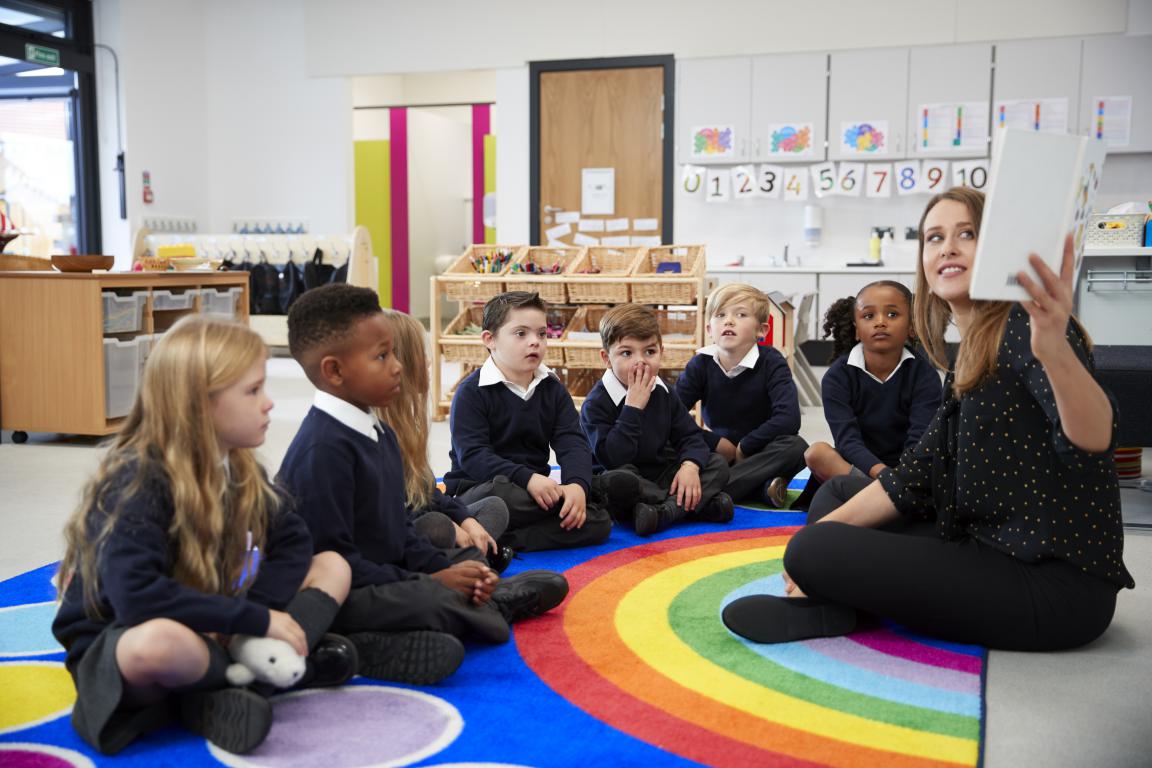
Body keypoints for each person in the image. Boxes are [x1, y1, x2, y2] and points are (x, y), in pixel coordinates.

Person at [723, 187, 1135, 651]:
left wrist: (1056, 351)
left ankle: (837, 597)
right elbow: (914, 476)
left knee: (811, 549)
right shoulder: (975, 346)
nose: (948, 247)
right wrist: (826, 533)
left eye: (967, 234)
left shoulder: (1027, 328)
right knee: (835, 498)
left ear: (998, 246)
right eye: (934, 237)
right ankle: (836, 603)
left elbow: (1094, 440)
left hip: (1051, 585)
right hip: (988, 541)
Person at [52, 316, 355, 756]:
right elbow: (138, 599)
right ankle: (247, 679)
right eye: (252, 391)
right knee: (159, 644)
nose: (269, 403)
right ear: (199, 404)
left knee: (333, 566)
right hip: (125, 637)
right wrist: (254, 622)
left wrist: (250, 612)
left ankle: (241, 674)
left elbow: (292, 539)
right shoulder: (136, 481)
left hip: (217, 620)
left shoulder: (238, 466)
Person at [279, 284, 568, 684]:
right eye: (382, 356)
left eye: (395, 353)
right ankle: (356, 644)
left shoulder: (378, 433)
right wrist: (430, 581)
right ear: (334, 371)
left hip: (385, 569)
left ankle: (469, 604)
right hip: (346, 590)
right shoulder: (322, 451)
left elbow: (398, 531)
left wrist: (440, 568)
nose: (398, 366)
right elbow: (338, 566)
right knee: (434, 597)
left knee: (460, 567)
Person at [444, 290, 613, 551]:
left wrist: (576, 486)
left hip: (534, 493)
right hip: (481, 489)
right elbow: (474, 456)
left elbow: (572, 443)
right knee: (499, 497)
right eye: (521, 333)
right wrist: (528, 479)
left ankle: (504, 538)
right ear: (490, 340)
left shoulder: (552, 389)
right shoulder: (471, 392)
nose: (535, 342)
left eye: (542, 334)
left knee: (599, 522)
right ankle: (486, 525)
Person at [377, 309, 514, 573]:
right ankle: (473, 565)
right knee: (437, 525)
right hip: (397, 534)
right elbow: (391, 511)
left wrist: (465, 521)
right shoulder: (378, 431)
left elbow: (427, 493)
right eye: (421, 355)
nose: (428, 364)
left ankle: (468, 561)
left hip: (422, 522)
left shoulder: (407, 423)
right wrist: (452, 525)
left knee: (494, 508)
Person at [580, 303, 733, 536]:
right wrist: (632, 407)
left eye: (649, 352)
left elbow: (690, 436)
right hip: (617, 475)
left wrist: (690, 466)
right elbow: (613, 458)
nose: (640, 362)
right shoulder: (596, 403)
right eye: (626, 353)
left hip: (658, 472)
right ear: (607, 358)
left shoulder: (665, 392)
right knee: (621, 482)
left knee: (716, 463)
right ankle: (696, 506)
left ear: (661, 351)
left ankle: (664, 513)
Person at [802, 281, 942, 518]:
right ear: (856, 329)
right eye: (868, 315)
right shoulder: (838, 376)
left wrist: (901, 476)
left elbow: (920, 439)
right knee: (816, 453)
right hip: (857, 469)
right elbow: (847, 441)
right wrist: (883, 476)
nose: (880, 321)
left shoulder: (924, 375)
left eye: (892, 314)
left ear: (911, 326)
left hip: (909, 471)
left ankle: (879, 503)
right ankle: (891, 503)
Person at [675, 283, 807, 507]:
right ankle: (761, 489)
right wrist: (714, 442)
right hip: (719, 452)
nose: (729, 321)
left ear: (761, 330)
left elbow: (789, 419)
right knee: (670, 442)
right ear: (709, 330)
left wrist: (745, 446)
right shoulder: (700, 364)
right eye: (721, 315)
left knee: (796, 447)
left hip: (761, 449)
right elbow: (672, 415)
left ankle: (710, 492)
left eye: (741, 314)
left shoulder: (772, 362)